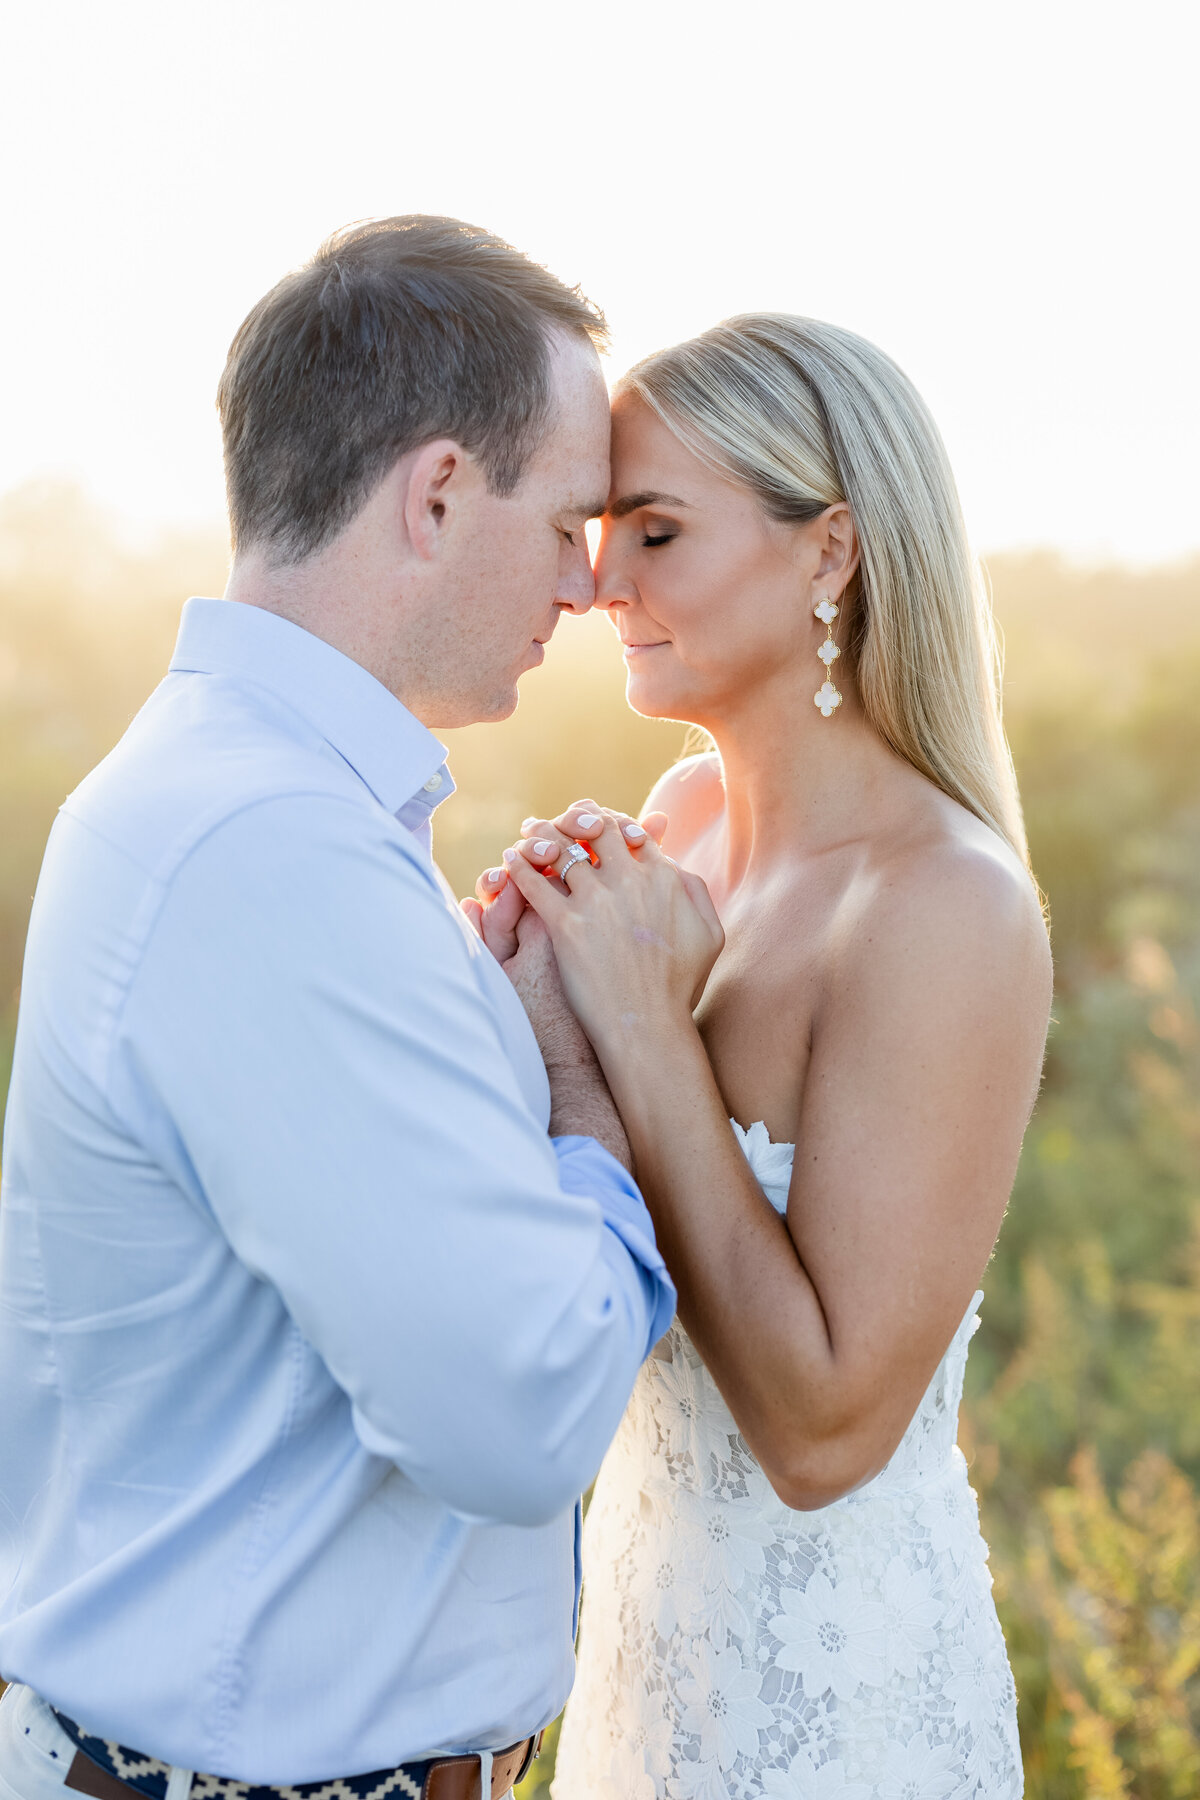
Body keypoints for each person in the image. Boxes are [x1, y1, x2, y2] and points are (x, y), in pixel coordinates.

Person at [0, 217, 715, 1800]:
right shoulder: (273, 851)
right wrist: (590, 1099)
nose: (592, 582)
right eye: (570, 520)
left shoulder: (229, 802)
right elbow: (515, 1419)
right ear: (440, 494)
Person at [482, 315, 1053, 1798]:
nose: (602, 579)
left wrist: (645, 1030)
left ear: (831, 551)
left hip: (841, 1705)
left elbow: (822, 1432)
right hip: (643, 1645)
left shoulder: (945, 907)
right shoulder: (673, 827)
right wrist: (515, 991)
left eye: (657, 532)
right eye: (607, 529)